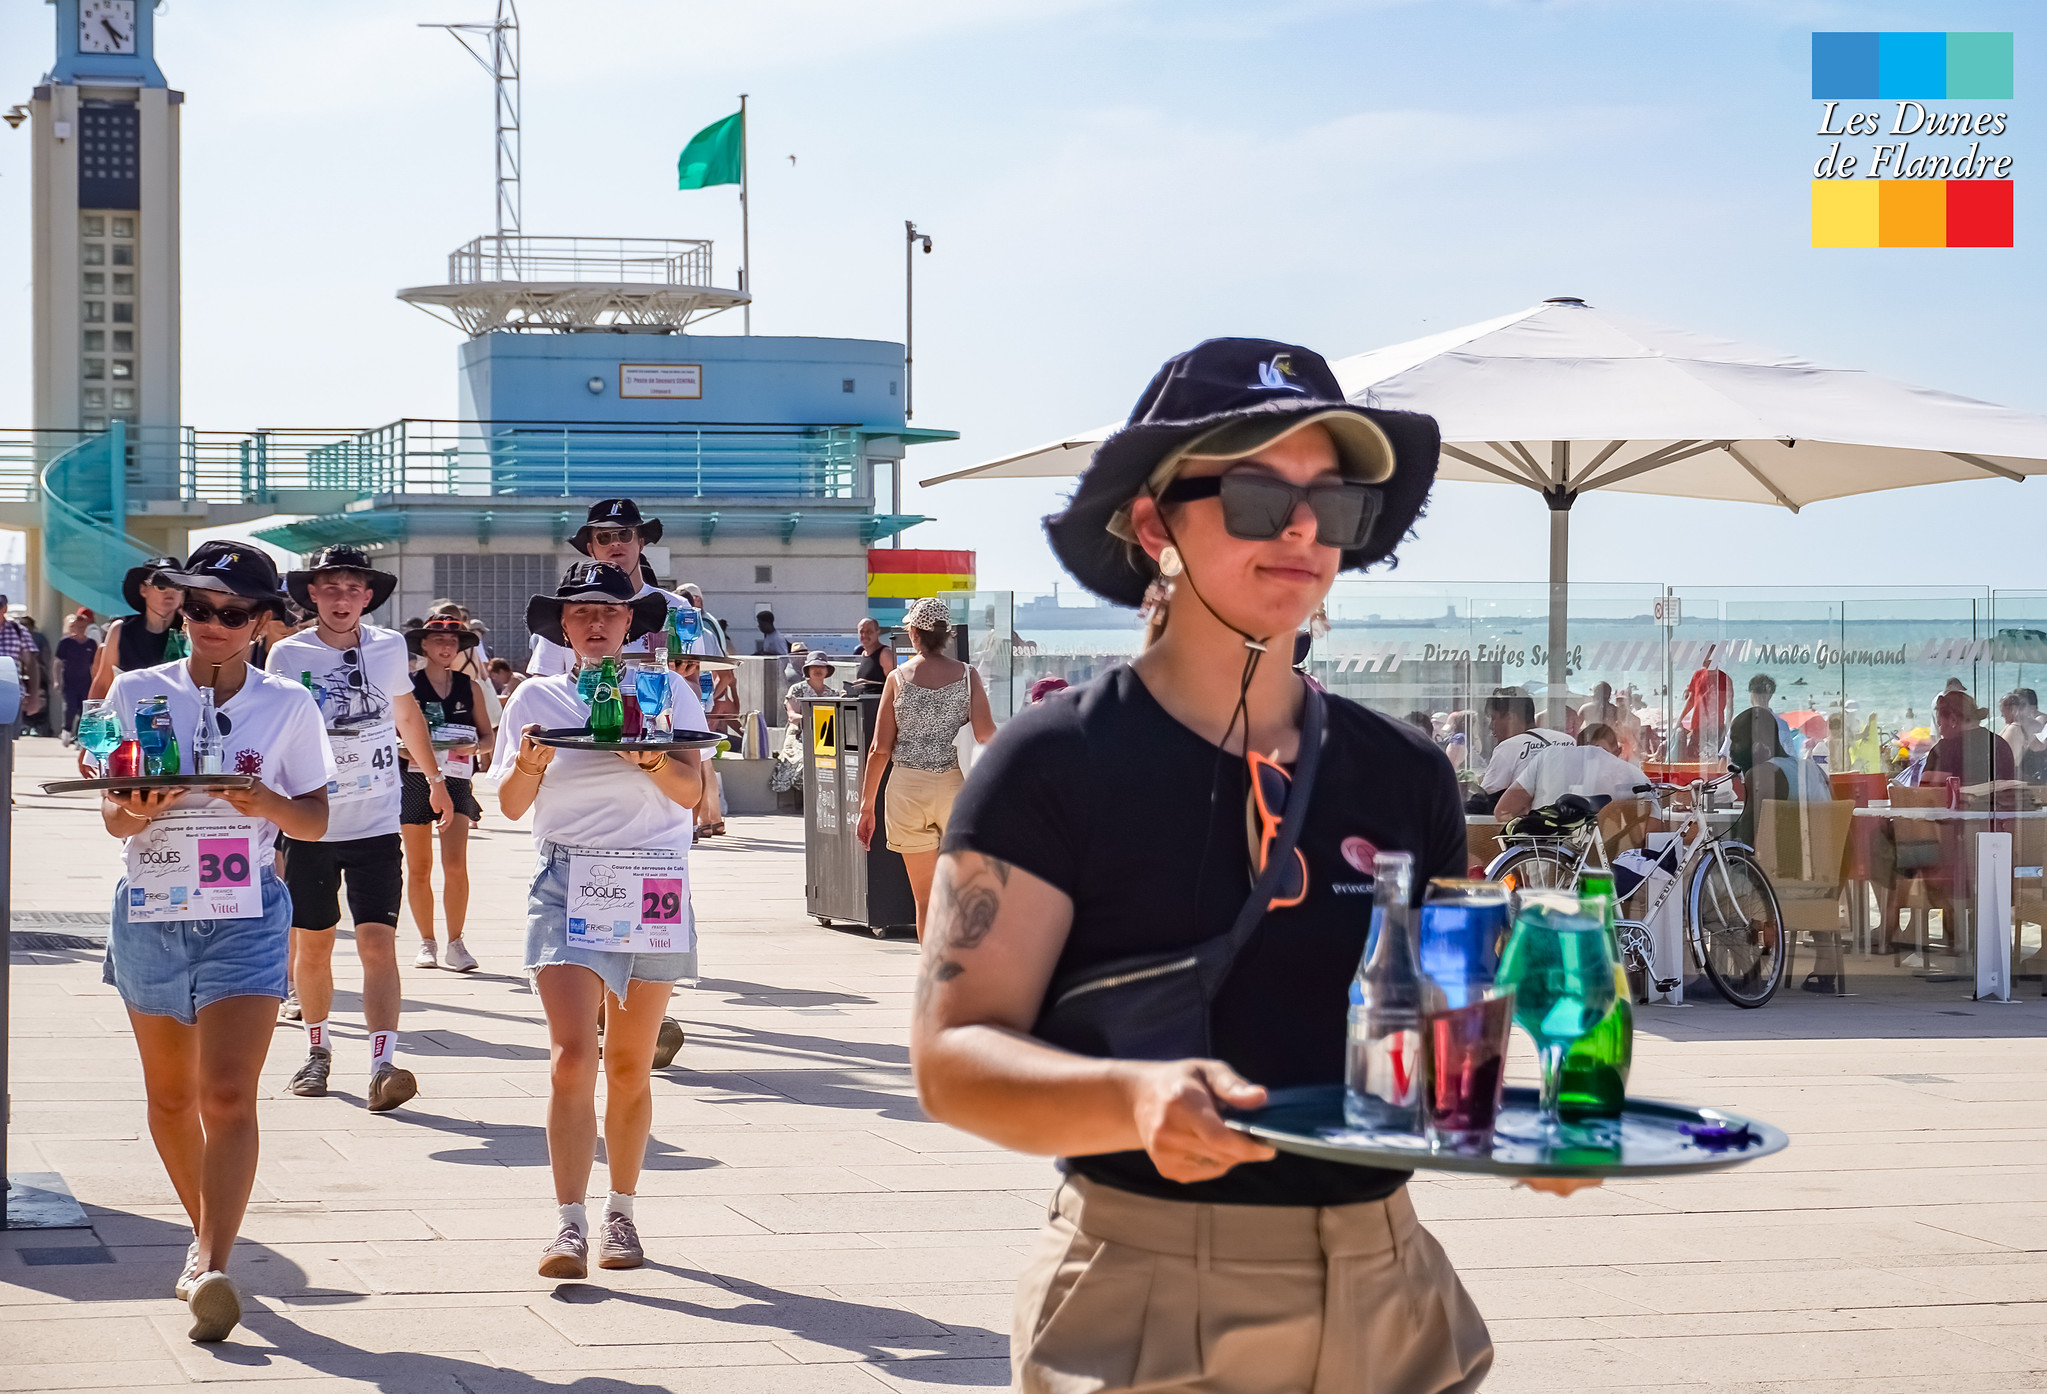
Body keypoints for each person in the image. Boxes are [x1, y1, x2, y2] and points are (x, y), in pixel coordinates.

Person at [916, 337, 1588, 1394]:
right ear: (1154, 526)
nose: (1303, 529)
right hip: (1145, 1288)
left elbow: (1439, 1035)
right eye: (1256, 494)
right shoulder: (1052, 762)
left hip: (1387, 1281)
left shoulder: (1405, 771)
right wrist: (1132, 1098)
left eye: (1336, 501)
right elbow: (952, 1057)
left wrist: (1522, 1116)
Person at [95, 541, 334, 1341]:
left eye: (232, 613)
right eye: (197, 608)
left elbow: (315, 819)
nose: (212, 624)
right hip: (153, 908)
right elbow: (113, 817)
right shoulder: (137, 690)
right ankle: (202, 1233)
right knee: (170, 1099)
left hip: (246, 912)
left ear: (262, 621)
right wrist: (139, 807)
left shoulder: (288, 704)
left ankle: (213, 1262)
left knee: (226, 1094)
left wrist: (266, 802)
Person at [490, 561, 705, 1279]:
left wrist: (652, 762)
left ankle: (622, 1211)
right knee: (573, 1057)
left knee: (631, 1063)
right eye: (580, 611)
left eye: (609, 611)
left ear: (630, 622)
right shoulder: (536, 696)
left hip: (650, 879)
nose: (595, 622)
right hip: (567, 876)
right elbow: (510, 805)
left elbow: (692, 793)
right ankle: (568, 1223)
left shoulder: (666, 688)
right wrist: (531, 764)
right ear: (562, 624)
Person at [267, 544, 452, 1112]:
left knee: (377, 942)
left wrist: (435, 779)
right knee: (315, 945)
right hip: (312, 822)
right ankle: (317, 1050)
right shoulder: (287, 654)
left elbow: (406, 714)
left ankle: (382, 1063)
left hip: (375, 821)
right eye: (331, 587)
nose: (342, 598)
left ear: (368, 596)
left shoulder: (389, 646)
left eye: (353, 588)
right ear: (312, 595)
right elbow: (274, 730)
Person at [855, 597, 996, 940]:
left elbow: (879, 749)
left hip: (906, 789)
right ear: (946, 634)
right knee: (961, 892)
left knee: (925, 898)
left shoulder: (897, 678)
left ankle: (932, 968)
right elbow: (986, 736)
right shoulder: (967, 676)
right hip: (954, 788)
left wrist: (866, 808)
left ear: (914, 633)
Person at [402, 616, 495, 974]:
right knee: (419, 866)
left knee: (455, 865)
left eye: (452, 642)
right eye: (438, 640)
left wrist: (474, 747)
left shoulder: (469, 686)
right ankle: (427, 941)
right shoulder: (408, 685)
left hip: (456, 778)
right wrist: (407, 748)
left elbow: (488, 736)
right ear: (423, 645)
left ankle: (456, 942)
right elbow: (393, 735)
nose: (446, 646)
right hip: (414, 779)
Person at [528, 501, 707, 677]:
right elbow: (542, 684)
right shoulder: (568, 611)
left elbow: (696, 685)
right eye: (604, 537)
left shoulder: (678, 608)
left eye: (624, 534)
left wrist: (675, 679)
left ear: (641, 543)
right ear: (591, 548)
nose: (615, 543)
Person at [1493, 721, 1653, 820]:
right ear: (1617, 753)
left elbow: (1503, 811)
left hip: (1544, 855)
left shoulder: (1548, 758)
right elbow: (1651, 833)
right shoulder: (1633, 777)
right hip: (1602, 858)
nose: (1595, 763)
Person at [87, 556, 185, 700]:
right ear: (143, 589)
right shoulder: (120, 630)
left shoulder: (190, 630)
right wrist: (91, 714)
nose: (170, 592)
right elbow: (103, 685)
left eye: (177, 586)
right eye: (161, 586)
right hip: (129, 712)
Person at [1469, 686, 1569, 813]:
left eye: (1494, 718)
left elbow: (1486, 796)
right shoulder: (1567, 740)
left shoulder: (1507, 747)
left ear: (1511, 717)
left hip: (1528, 822)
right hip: (1568, 819)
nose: (1490, 726)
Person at [1922, 690, 2016, 791]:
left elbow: (1926, 794)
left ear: (1953, 720)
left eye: (1940, 724)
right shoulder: (2000, 744)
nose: (1940, 732)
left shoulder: (1944, 750)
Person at [1678, 644, 1732, 761]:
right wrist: (1679, 719)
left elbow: (1729, 708)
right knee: (1692, 758)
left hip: (1715, 728)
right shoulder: (1697, 675)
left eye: (1704, 655)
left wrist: (1727, 728)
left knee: (1713, 760)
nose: (1701, 658)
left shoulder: (1725, 679)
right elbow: (1691, 701)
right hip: (1697, 726)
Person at [0, 595, 45, 733]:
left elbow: (31, 664)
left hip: (11, 695)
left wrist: (34, 695)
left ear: (4, 608)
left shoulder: (18, 631)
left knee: (7, 737)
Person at [56, 608, 98, 741]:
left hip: (85, 682)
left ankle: (80, 736)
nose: (80, 629)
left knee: (84, 710)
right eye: (78, 626)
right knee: (70, 707)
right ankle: (66, 730)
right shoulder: (66, 643)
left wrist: (96, 680)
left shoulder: (91, 644)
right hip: (69, 682)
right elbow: (57, 662)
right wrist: (57, 680)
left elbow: (95, 664)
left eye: (83, 627)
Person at [785, 652, 838, 737]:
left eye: (822, 666)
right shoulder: (796, 689)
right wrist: (816, 721)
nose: (818, 670)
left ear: (827, 670)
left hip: (825, 737)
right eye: (814, 666)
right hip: (798, 736)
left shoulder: (833, 694)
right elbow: (792, 716)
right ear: (808, 670)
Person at [2000, 689, 2047, 784]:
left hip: (2027, 782)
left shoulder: (2018, 728)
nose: (2002, 715)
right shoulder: (2022, 726)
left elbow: (2002, 761)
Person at [844, 616, 897, 699]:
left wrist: (868, 684)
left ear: (877, 632)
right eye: (861, 631)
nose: (864, 635)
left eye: (869, 632)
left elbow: (895, 683)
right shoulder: (864, 654)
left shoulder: (885, 653)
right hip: (866, 704)